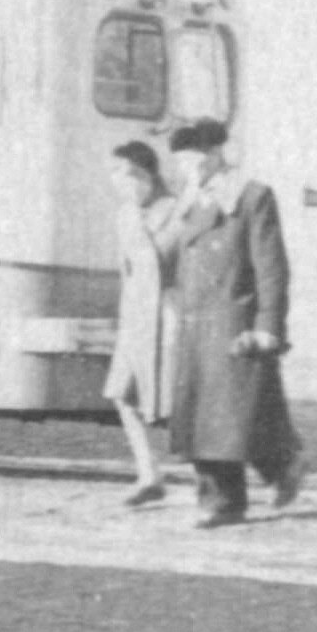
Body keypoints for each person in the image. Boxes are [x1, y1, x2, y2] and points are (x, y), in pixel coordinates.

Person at [164, 118, 305, 529]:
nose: (184, 169)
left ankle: (264, 477)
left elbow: (271, 267)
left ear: (213, 155)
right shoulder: (189, 202)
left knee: (233, 417)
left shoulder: (251, 197)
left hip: (234, 322)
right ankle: (225, 497)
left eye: (190, 160)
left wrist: (269, 324)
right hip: (196, 323)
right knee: (206, 418)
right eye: (180, 162)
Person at [103, 140, 178, 505]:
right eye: (114, 173)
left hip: (169, 318)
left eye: (125, 173)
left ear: (145, 175)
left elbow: (168, 265)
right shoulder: (125, 215)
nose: (118, 180)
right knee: (123, 394)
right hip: (136, 318)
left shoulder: (175, 211)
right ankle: (149, 475)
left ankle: (227, 475)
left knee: (174, 403)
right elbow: (126, 271)